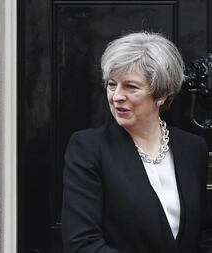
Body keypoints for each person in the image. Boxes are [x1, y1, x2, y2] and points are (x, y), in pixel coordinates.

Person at [62, 32, 212, 252]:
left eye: (131, 87)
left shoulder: (193, 148)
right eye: (112, 85)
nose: (116, 96)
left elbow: (205, 234)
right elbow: (82, 243)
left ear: (161, 94)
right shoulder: (89, 148)